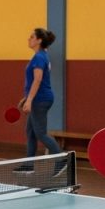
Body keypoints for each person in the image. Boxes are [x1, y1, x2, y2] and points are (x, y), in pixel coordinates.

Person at [17, 27, 64, 174]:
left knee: (41, 133)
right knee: (30, 132)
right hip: (38, 97)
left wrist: (30, 100)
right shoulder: (42, 55)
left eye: (31, 37)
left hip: (40, 100)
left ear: (39, 40)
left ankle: (61, 160)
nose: (28, 39)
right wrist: (26, 98)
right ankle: (29, 165)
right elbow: (36, 82)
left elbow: (38, 80)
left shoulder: (39, 57)